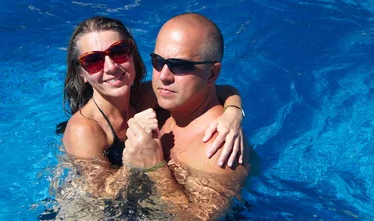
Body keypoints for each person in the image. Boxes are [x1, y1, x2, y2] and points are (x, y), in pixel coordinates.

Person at [58, 16, 245, 197]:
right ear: (81, 73)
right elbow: (100, 198)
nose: (110, 67)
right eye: (93, 61)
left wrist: (233, 113)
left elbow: (214, 88)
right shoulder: (83, 130)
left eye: (118, 52)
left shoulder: (147, 95)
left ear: (133, 55)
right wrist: (137, 164)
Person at [122, 12, 248, 221]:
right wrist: (234, 107)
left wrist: (154, 167)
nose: (164, 77)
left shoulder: (219, 146)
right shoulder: (169, 104)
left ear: (212, 73)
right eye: (158, 62)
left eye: (180, 66)